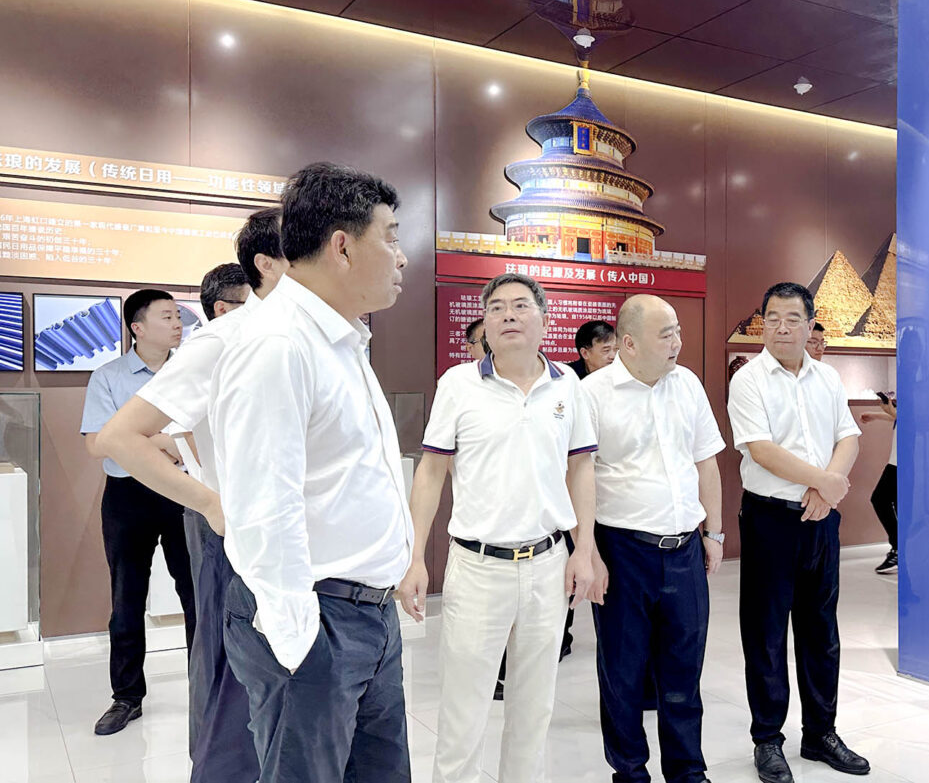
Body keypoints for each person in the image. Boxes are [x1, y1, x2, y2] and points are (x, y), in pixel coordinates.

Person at [211, 163, 413, 782]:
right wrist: (300, 643)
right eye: (391, 237)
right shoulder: (279, 344)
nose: (402, 257)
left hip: (369, 613)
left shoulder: (341, 339)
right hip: (317, 622)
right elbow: (261, 507)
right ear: (343, 247)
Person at [97, 209, 287, 782]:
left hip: (232, 516)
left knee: (224, 635)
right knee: (200, 642)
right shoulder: (217, 348)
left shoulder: (278, 343)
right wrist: (204, 496)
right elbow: (114, 439)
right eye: (165, 316)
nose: (176, 324)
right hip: (187, 512)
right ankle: (143, 707)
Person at [399, 272, 598, 783]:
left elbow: (580, 468)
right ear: (484, 324)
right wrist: (415, 555)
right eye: (497, 308)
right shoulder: (458, 384)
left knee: (534, 708)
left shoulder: (567, 385)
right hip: (478, 567)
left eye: (521, 305)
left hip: (548, 563)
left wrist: (584, 551)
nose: (509, 314)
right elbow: (432, 470)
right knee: (463, 711)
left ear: (545, 320)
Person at [727, 282, 869, 783]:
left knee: (820, 630)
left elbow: (848, 437)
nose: (782, 328)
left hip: (820, 518)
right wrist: (824, 482)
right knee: (765, 633)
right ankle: (768, 739)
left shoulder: (827, 377)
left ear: (810, 325)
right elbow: (760, 449)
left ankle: (821, 733)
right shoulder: (748, 380)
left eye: (792, 319)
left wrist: (827, 489)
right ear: (762, 324)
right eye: (772, 318)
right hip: (770, 518)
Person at [583, 294, 725, 783]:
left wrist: (714, 532)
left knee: (684, 669)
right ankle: (630, 772)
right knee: (622, 673)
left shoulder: (687, 384)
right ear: (628, 343)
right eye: (666, 334)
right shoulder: (593, 394)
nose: (677, 342)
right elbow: (576, 477)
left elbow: (706, 462)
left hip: (685, 549)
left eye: (678, 331)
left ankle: (688, 771)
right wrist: (588, 552)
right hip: (622, 551)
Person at [80, 288, 195, 736]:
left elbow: (202, 435)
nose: (178, 324)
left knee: (196, 595)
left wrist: (133, 440)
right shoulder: (109, 377)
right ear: (137, 328)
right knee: (126, 598)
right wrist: (164, 441)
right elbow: (97, 444)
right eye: (167, 316)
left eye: (178, 316)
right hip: (128, 496)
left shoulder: (190, 372)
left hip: (184, 491)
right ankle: (127, 697)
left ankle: (206, 690)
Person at [860, 396, 899, 575]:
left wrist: (889, 413)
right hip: (897, 460)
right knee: (886, 501)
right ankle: (900, 548)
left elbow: (917, 421)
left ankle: (899, 548)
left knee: (880, 499)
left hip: (904, 461)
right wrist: (877, 415)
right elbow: (902, 416)